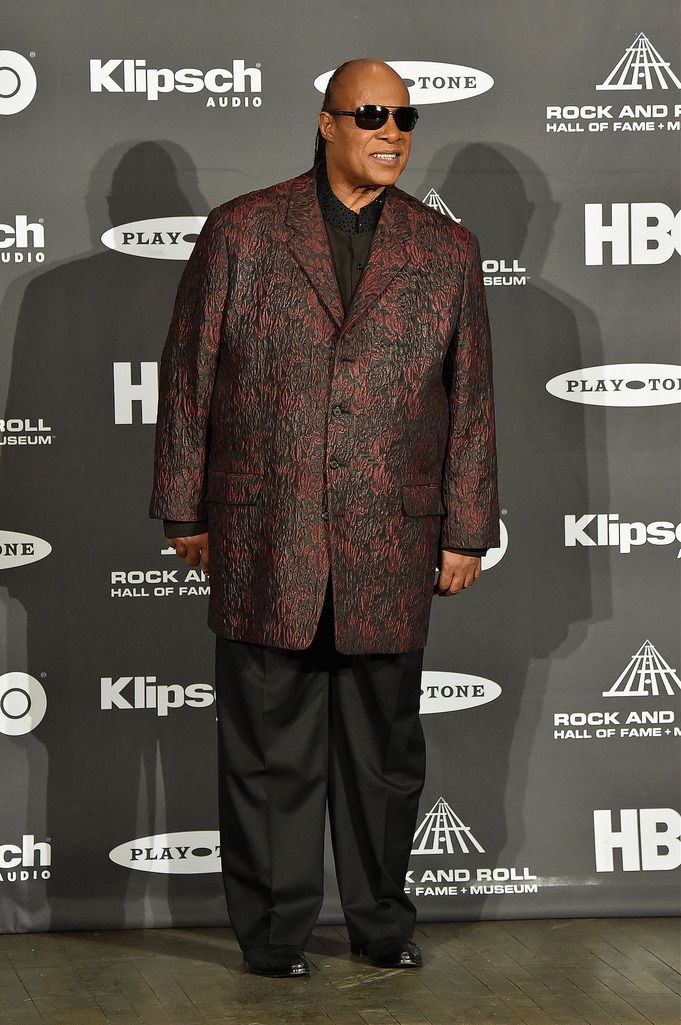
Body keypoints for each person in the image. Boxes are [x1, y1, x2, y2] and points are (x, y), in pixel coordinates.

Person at [149, 57, 499, 979]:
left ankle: (382, 924)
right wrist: (184, 508)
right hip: (268, 532)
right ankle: (272, 937)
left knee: (385, 759)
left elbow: (470, 402)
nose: (392, 131)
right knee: (268, 753)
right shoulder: (243, 231)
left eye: (405, 117)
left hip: (393, 535)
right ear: (327, 122)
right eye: (373, 115)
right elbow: (188, 381)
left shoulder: (444, 249)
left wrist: (465, 530)